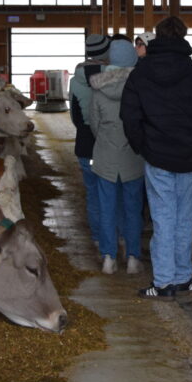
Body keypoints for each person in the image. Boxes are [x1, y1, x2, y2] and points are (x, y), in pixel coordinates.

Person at [122, 16, 192, 298]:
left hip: (158, 156)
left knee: (163, 218)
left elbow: (129, 116)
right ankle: (182, 276)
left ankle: (164, 282)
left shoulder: (141, 73)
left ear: (158, 37)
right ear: (184, 37)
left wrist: (143, 146)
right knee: (184, 217)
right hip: (190, 157)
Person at [89, 39, 145, 275]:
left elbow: (94, 124)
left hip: (105, 158)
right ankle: (132, 257)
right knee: (133, 209)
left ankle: (109, 258)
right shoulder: (141, 86)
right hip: (133, 156)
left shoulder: (98, 88)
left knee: (107, 208)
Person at [70, 33, 111, 237]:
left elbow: (75, 117)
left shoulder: (75, 80)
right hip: (111, 141)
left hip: (86, 143)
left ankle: (97, 237)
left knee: (93, 193)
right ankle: (116, 237)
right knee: (113, 193)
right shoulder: (116, 76)